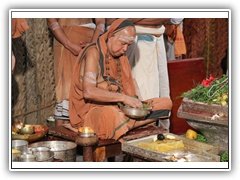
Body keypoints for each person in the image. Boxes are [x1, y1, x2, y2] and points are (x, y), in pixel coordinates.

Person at [69, 19, 172, 141]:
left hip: (119, 108)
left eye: (128, 45)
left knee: (166, 103)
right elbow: (89, 92)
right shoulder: (93, 52)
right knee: (111, 115)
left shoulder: (121, 56)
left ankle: (124, 125)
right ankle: (126, 124)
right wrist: (124, 98)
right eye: (123, 43)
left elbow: (130, 85)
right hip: (92, 113)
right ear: (112, 35)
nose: (125, 49)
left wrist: (138, 104)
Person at [47, 18, 105, 118]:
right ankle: (63, 130)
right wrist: (69, 45)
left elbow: (101, 22)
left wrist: (93, 44)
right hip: (67, 41)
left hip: (90, 41)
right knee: (67, 94)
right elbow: (51, 20)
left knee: (86, 86)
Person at [126, 18, 172, 131]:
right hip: (127, 38)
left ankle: (150, 132)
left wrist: (130, 19)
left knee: (153, 94)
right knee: (132, 92)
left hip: (152, 40)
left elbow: (167, 16)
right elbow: (113, 19)